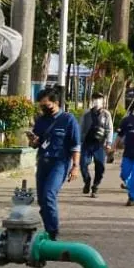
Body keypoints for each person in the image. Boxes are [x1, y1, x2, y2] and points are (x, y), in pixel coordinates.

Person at [27, 88, 81, 239]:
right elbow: (36, 144)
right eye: (41, 105)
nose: (44, 108)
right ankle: (48, 228)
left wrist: (75, 166)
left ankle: (53, 232)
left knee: (49, 195)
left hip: (60, 163)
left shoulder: (68, 119)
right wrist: (33, 141)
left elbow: (76, 145)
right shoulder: (41, 120)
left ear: (56, 102)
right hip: (43, 162)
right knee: (42, 200)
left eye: (47, 105)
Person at [79, 93, 114, 197]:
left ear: (103, 101)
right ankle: (87, 180)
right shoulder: (86, 114)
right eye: (95, 99)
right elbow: (81, 127)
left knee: (100, 166)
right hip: (87, 143)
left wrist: (108, 143)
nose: (97, 101)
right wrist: (79, 141)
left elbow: (109, 129)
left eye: (99, 99)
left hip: (100, 144)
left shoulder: (106, 114)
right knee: (83, 164)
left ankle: (95, 186)